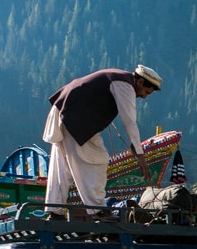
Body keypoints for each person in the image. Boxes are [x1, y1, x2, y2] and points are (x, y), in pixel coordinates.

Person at [43, 65, 163, 211]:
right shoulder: (125, 84)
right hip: (75, 119)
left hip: (64, 111)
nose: (144, 97)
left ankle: (54, 211)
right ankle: (98, 210)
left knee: (62, 169)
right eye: (146, 92)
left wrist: (134, 144)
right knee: (98, 162)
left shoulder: (117, 77)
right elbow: (130, 122)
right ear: (140, 82)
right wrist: (141, 156)